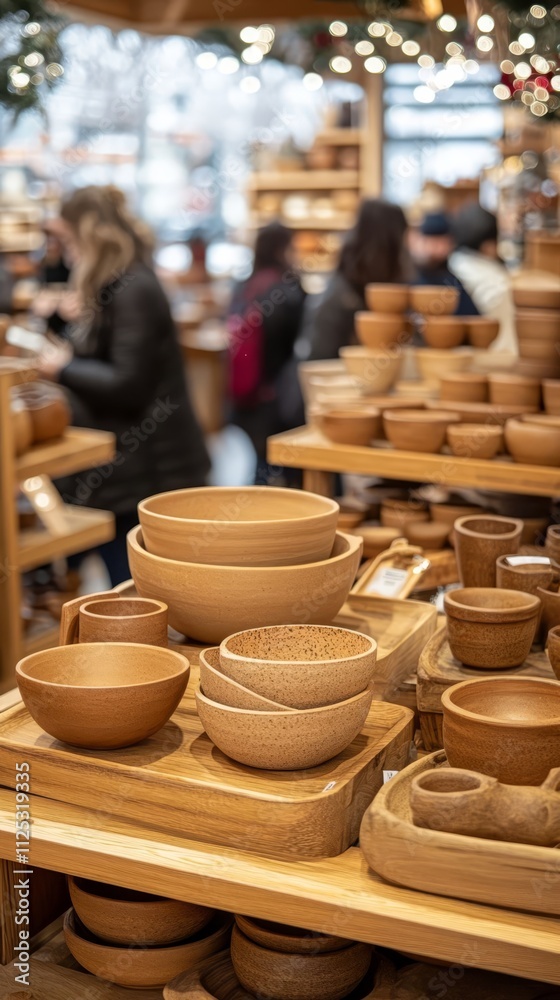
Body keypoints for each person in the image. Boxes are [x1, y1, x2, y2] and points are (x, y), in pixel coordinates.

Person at [37, 185, 210, 585]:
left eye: (66, 238)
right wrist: (61, 327)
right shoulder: (117, 284)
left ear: (87, 233)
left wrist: (63, 369)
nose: (64, 251)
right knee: (127, 585)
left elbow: (127, 383)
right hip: (130, 467)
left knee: (140, 590)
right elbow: (103, 355)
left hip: (150, 468)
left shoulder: (133, 288)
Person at [227, 222, 305, 483]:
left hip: (246, 396)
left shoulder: (243, 287)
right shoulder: (288, 289)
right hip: (279, 400)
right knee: (286, 473)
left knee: (259, 469)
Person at [300, 199, 409, 361]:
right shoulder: (342, 298)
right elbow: (317, 362)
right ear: (388, 244)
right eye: (402, 239)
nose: (407, 248)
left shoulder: (385, 291)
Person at [449, 205, 517, 353]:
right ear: (488, 246)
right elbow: (507, 344)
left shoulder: (451, 263)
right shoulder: (497, 283)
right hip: (493, 357)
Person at [409, 212, 479, 316]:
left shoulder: (452, 282)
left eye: (441, 242)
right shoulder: (410, 277)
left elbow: (472, 318)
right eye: (431, 242)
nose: (435, 248)